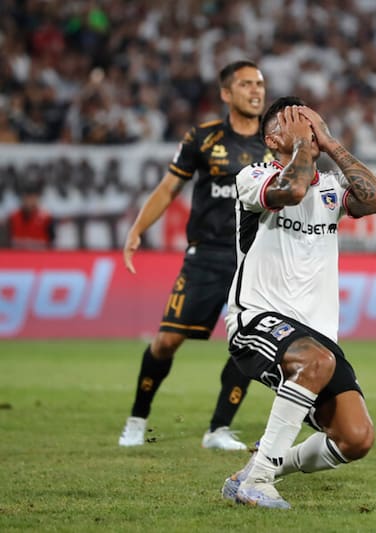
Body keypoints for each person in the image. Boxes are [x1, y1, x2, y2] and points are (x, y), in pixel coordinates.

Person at [219, 96, 376, 508]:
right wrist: (301, 146)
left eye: (311, 124)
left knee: (356, 438)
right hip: (256, 319)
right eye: (294, 123)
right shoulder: (253, 176)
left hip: (317, 338)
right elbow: (293, 189)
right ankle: (258, 482)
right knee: (315, 361)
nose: (306, 131)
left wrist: (329, 143)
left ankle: (263, 463)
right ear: (271, 136)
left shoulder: (331, 190)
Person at [118, 60, 271, 450]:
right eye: (247, 84)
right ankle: (136, 420)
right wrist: (137, 229)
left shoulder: (274, 145)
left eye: (260, 84)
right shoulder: (202, 138)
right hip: (205, 255)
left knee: (249, 345)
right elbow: (169, 189)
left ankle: (218, 429)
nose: (256, 90)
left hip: (252, 258)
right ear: (226, 93)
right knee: (167, 341)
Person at [8, 182, 55, 249]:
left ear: (37, 199)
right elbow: (9, 238)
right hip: (18, 253)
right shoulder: (13, 216)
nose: (29, 201)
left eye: (32, 198)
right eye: (27, 198)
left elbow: (52, 239)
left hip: (39, 253)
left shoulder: (46, 217)